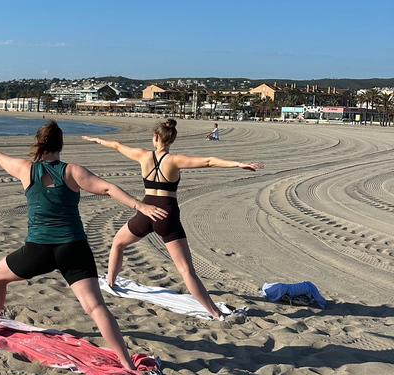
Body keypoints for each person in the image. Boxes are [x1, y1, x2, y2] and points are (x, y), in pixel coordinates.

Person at [0, 121, 167, 370]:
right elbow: (108, 188)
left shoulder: (26, 169)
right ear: (60, 144)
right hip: (74, 248)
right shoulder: (72, 171)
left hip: (38, 250)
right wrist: (139, 206)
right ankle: (127, 362)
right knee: (96, 307)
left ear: (38, 143)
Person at [82, 119, 263, 320]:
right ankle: (214, 312)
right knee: (186, 270)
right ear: (171, 139)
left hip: (146, 212)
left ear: (156, 138)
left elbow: (116, 146)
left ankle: (111, 283)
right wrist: (239, 164)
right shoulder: (174, 160)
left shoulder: (142, 156)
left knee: (117, 243)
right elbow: (209, 161)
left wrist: (96, 139)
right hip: (166, 215)